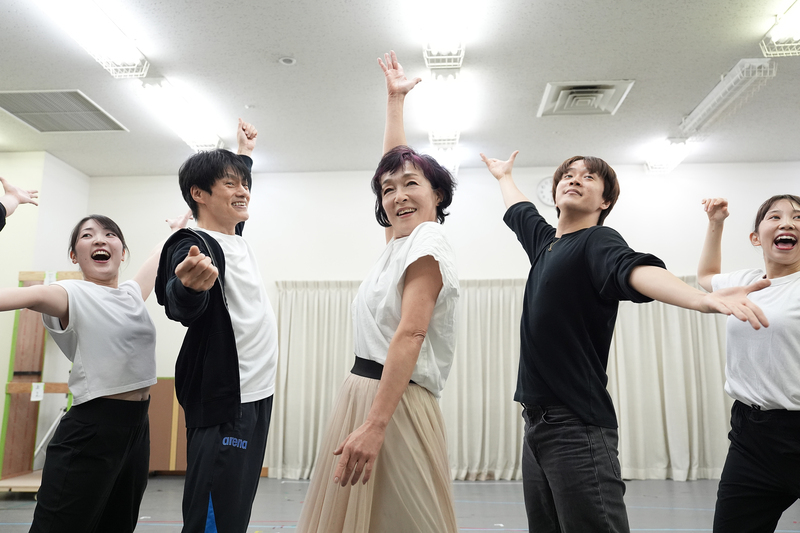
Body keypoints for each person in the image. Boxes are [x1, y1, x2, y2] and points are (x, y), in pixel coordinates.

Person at [479, 150, 770, 533]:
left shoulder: (597, 240)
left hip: (576, 427)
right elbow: (520, 210)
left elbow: (632, 268)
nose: (574, 178)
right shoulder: (544, 244)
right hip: (534, 423)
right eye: (568, 174)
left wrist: (701, 299)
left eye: (588, 176)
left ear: (605, 202)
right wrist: (503, 176)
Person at [296, 51, 459, 533]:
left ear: (438, 195)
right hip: (366, 392)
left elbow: (411, 333)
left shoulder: (428, 241)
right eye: (387, 190)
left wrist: (375, 423)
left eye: (411, 185)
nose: (398, 195)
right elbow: (393, 164)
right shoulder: (400, 243)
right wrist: (394, 102)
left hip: (394, 402)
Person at [0, 210, 189, 533]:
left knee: (118, 524)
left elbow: (157, 257)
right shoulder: (67, 293)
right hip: (92, 429)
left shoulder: (131, 294)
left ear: (122, 252)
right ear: (74, 255)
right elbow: (20, 297)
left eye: (109, 234)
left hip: (137, 429)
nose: (100, 239)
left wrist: (176, 230)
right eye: (87, 235)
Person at [154, 119, 278, 533]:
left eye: (245, 184)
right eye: (230, 184)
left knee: (235, 510)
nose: (243, 191)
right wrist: (189, 287)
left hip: (259, 395)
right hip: (226, 401)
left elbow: (236, 198)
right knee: (215, 515)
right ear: (199, 194)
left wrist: (243, 155)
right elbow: (178, 301)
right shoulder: (191, 244)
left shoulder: (234, 234)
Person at [697, 195, 800, 533]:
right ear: (757, 237)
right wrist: (716, 223)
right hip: (751, 436)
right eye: (775, 217)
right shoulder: (746, 281)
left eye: (798, 217)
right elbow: (706, 276)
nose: (787, 223)